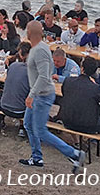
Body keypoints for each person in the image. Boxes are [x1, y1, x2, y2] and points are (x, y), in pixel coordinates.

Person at [19, 21, 84, 170]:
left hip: (42, 95)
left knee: (41, 130)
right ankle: (37, 158)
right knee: (28, 124)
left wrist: (31, 95)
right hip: (37, 93)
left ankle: (74, 154)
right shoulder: (39, 48)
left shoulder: (40, 50)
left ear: (30, 33)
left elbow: (43, 76)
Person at [58, 56, 100, 161]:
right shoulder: (95, 88)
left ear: (82, 68)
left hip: (67, 121)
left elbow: (65, 95)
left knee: (74, 108)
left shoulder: (68, 81)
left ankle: (77, 142)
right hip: (88, 125)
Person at [0, 41, 31, 137]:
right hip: (20, 111)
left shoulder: (13, 66)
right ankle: (22, 127)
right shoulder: (32, 71)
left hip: (4, 107)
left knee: (2, 92)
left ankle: (0, 120)